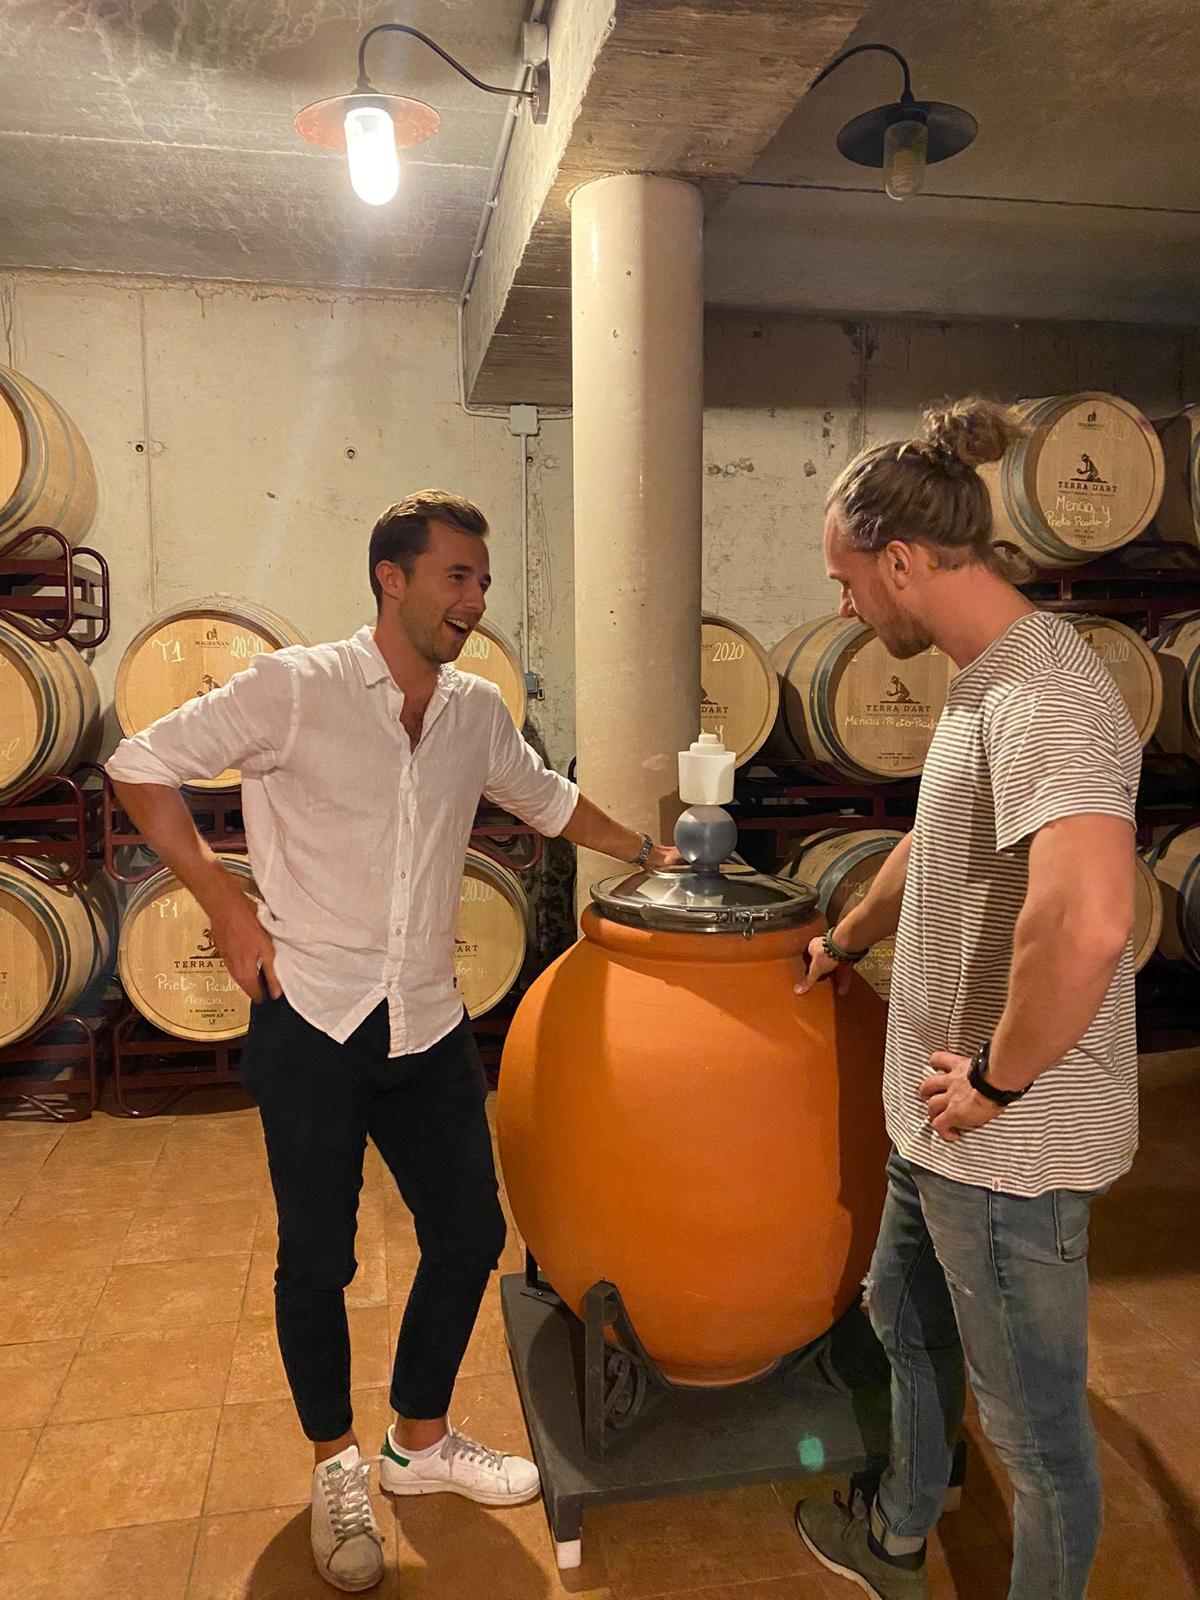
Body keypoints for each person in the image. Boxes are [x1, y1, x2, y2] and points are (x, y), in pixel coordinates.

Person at [107, 490, 680, 1594]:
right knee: (317, 1259)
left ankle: (418, 1439)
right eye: (456, 577)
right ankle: (337, 1465)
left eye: (482, 582)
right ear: (393, 577)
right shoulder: (297, 687)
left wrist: (648, 851)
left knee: (468, 1230)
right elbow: (141, 761)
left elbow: (551, 804)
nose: (473, 600)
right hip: (309, 1016)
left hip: (422, 1019)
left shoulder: (472, 711)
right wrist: (225, 906)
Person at [792, 401, 1140, 1600]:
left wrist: (996, 1077)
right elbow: (932, 846)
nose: (846, 609)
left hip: (1005, 1144)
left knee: (1037, 1442)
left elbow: (1091, 919)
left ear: (901, 562)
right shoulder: (977, 681)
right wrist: (846, 937)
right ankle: (897, 1539)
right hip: (938, 1125)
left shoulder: (1050, 696)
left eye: (848, 582)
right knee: (903, 1315)